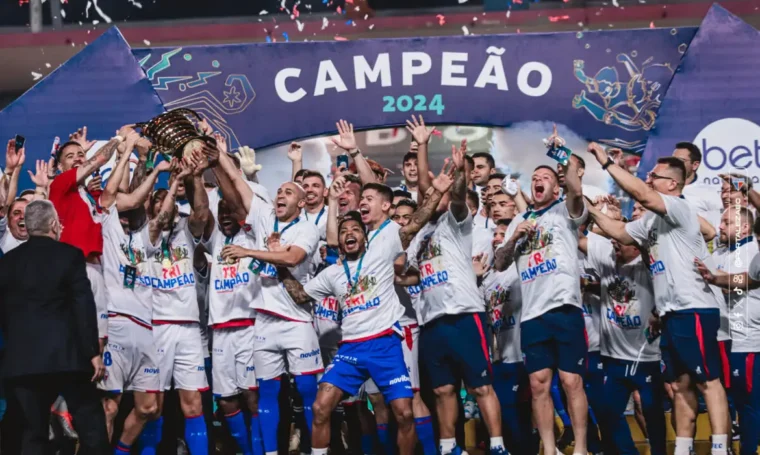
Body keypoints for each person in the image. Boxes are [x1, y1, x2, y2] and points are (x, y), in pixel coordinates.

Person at [585, 144, 730, 455]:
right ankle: (682, 448)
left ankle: (720, 448)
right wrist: (589, 209)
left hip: (694, 308)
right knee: (679, 386)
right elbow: (622, 234)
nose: (648, 177)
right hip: (670, 313)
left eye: (655, 175)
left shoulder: (678, 207)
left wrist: (608, 165)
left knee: (709, 382)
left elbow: (643, 195)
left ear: (673, 183)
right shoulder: (650, 221)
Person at [407, 121, 506, 455]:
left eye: (442, 192)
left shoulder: (456, 223)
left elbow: (459, 194)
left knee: (480, 387)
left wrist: (462, 170)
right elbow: (424, 189)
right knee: (443, 391)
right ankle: (449, 448)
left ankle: (496, 445)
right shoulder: (421, 234)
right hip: (431, 321)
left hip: (464, 314)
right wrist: (421, 145)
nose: (435, 195)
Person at [493, 153, 589, 455]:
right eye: (534, 178)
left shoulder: (564, 210)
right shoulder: (519, 221)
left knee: (571, 380)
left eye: (545, 178)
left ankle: (582, 448)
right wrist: (513, 239)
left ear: (556, 188)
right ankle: (548, 449)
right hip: (532, 315)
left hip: (564, 306)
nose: (538, 181)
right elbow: (499, 263)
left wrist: (563, 157)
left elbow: (576, 189)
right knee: (538, 384)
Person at [0, 200, 109, 455]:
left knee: (32, 434)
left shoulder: (8, 262)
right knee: (91, 430)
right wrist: (93, 352)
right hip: (68, 358)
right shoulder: (70, 255)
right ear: (53, 225)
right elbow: (83, 306)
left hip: (23, 362)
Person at [97, 133, 167, 453]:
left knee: (149, 408)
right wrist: (127, 154)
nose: (128, 206)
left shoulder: (141, 236)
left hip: (146, 329)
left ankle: (121, 450)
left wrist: (158, 169)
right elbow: (116, 193)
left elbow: (144, 201)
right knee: (108, 407)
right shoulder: (106, 220)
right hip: (117, 324)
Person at [580, 225, 666, 455]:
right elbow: (575, 236)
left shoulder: (648, 267)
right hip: (613, 358)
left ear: (638, 248)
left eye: (621, 240)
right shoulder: (607, 260)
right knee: (608, 413)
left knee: (652, 412)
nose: (615, 243)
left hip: (645, 356)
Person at [696, 207, 759, 455]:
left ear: (744, 227)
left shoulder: (753, 250)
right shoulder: (723, 253)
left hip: (750, 340)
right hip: (728, 337)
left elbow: (744, 281)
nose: (720, 227)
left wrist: (714, 276)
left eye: (726, 222)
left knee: (749, 404)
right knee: (734, 400)